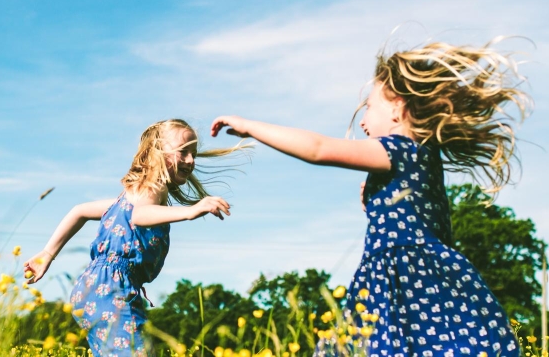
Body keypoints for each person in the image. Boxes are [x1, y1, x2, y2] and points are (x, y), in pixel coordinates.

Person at [210, 40, 529, 356]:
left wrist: (250, 127)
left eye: (370, 106)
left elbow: (318, 149)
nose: (362, 120)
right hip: (426, 278)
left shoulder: (399, 149)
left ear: (398, 107)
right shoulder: (426, 156)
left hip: (403, 280)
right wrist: (377, 197)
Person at [24, 119, 247, 357]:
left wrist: (48, 253)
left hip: (93, 288)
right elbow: (141, 215)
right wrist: (190, 211)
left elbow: (78, 211)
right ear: (157, 152)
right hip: (112, 287)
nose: (191, 161)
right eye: (183, 152)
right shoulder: (154, 187)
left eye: (194, 154)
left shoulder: (128, 198)